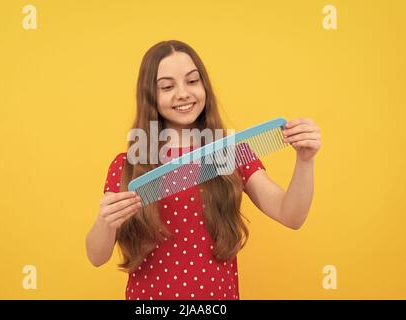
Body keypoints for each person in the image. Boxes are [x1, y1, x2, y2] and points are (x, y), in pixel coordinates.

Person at [85, 40, 321, 300]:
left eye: (192, 81)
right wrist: (105, 222)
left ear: (204, 86)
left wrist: (305, 160)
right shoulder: (128, 165)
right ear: (150, 95)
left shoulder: (228, 153)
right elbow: (96, 257)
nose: (183, 93)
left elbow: (291, 215)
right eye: (167, 86)